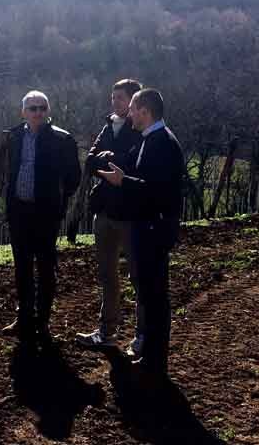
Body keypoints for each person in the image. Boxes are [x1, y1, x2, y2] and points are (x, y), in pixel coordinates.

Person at [98, 88, 184, 378]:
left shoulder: (163, 143)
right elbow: (138, 171)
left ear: (145, 111)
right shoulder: (151, 139)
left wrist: (124, 182)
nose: (129, 114)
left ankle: (155, 362)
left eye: (133, 109)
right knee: (150, 295)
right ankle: (152, 358)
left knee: (155, 297)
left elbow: (157, 190)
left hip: (154, 228)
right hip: (147, 226)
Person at [1, 90, 81, 347]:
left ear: (48, 111)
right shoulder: (13, 137)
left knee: (46, 268)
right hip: (19, 211)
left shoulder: (62, 139)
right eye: (32, 108)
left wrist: (57, 201)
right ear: (23, 112)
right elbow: (8, 171)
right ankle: (23, 317)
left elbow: (73, 178)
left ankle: (42, 321)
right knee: (22, 268)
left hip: (45, 214)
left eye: (42, 108)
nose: (38, 112)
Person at [75, 79, 146, 357]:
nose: (115, 102)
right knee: (107, 275)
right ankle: (106, 331)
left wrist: (109, 158)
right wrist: (109, 160)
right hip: (104, 211)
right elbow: (91, 162)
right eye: (113, 97)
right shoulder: (109, 125)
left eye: (120, 98)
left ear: (134, 101)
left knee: (137, 276)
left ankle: (142, 335)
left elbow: (131, 163)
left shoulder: (140, 129)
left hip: (129, 214)